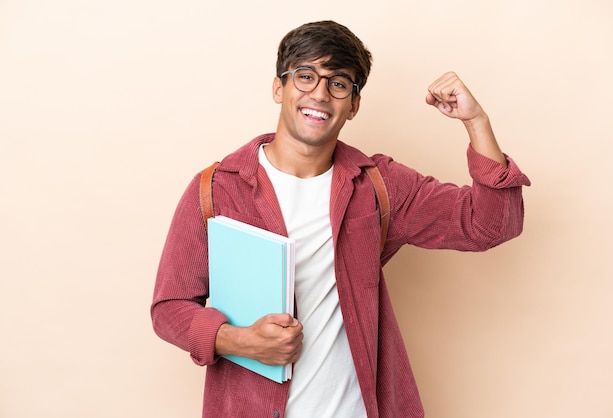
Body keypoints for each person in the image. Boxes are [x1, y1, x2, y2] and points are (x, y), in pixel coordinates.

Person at [151, 20, 530, 418]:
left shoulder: (379, 186)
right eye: (306, 76)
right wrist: (237, 341)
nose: (320, 93)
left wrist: (476, 123)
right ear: (279, 87)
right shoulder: (215, 189)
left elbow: (491, 224)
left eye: (338, 83)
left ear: (353, 104)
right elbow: (169, 307)